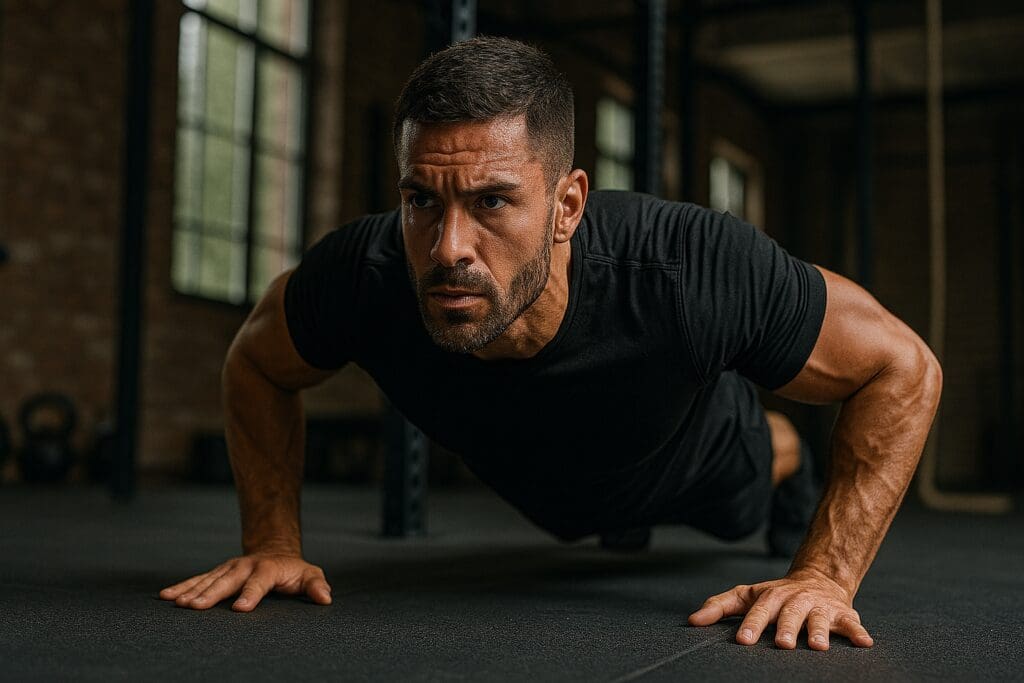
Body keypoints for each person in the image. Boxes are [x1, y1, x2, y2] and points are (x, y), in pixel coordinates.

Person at [159, 37, 942, 652]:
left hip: (687, 457)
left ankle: (783, 460)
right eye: (421, 200)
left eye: (493, 201)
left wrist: (824, 574)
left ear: (568, 205)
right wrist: (271, 543)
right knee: (577, 512)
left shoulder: (688, 268)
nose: (448, 247)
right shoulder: (363, 275)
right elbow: (257, 361)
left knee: (758, 461)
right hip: (551, 491)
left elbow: (901, 366)